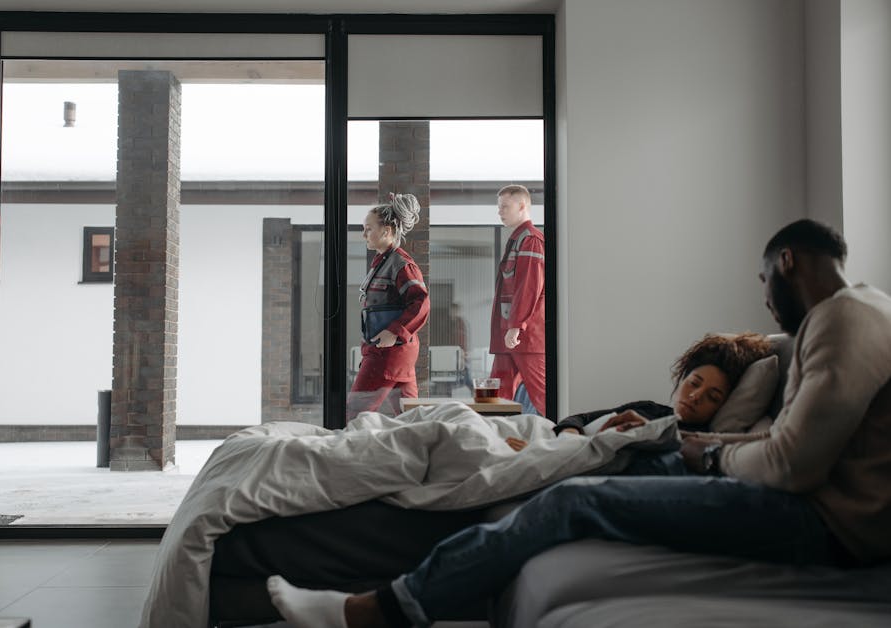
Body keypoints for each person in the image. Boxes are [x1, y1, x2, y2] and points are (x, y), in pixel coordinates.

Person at [267, 218, 891, 628]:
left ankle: (383, 610)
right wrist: (694, 442)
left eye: (763, 279)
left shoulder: (845, 319)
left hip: (825, 526)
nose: (762, 296)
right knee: (615, 461)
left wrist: (714, 455)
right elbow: (796, 444)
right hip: (808, 505)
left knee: (569, 503)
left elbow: (791, 464)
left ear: (788, 261)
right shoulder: (853, 315)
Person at [504, 332, 772, 452]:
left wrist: (547, 453)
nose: (695, 396)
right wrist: (566, 440)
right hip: (556, 444)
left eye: (712, 397)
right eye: (694, 382)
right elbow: (578, 418)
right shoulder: (649, 408)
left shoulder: (694, 443)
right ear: (682, 379)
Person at [346, 193, 430, 422]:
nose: (364, 234)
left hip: (388, 354)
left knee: (355, 414)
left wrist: (394, 332)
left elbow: (421, 303)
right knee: (411, 417)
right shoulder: (383, 262)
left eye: (368, 228)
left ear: (386, 230)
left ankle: (350, 456)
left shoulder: (401, 265)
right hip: (395, 353)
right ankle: (422, 452)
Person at [489, 184, 546, 416]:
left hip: (525, 336)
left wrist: (516, 326)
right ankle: (495, 441)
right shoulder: (517, 240)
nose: (500, 212)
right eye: (499, 207)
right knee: (496, 396)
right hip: (510, 334)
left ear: (522, 206)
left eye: (505, 206)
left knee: (543, 394)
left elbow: (529, 288)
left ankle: (566, 436)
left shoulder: (531, 240)